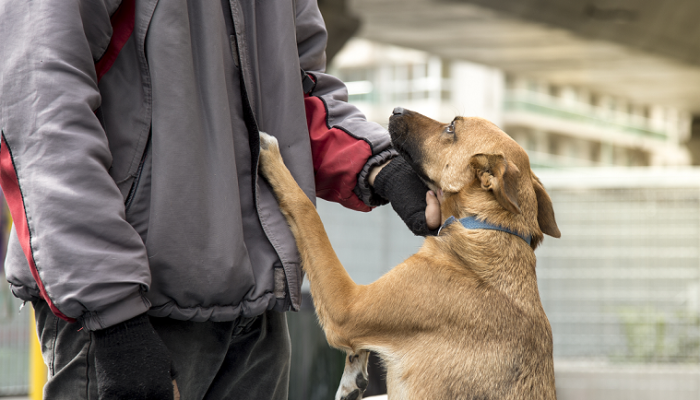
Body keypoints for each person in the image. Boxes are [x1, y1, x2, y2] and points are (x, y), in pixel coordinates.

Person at [0, 1, 440, 399]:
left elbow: (298, 93)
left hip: (256, 323)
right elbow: (39, 108)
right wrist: (114, 319)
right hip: (130, 317)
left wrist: (383, 167)